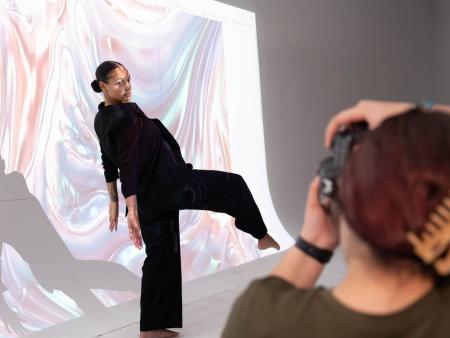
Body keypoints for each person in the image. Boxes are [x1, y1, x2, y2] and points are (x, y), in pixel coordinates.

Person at [222, 100, 450, 338]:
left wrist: (313, 242)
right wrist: (415, 115)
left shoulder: (260, 320)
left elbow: (265, 308)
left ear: (331, 197)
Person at [90, 60, 280, 338]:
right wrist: (129, 209)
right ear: (103, 86)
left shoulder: (102, 117)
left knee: (161, 257)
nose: (127, 87)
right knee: (233, 185)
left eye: (129, 79)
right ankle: (260, 234)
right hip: (173, 186)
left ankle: (151, 329)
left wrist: (114, 202)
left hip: (150, 196)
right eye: (119, 83)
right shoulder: (125, 115)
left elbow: (109, 160)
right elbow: (126, 162)